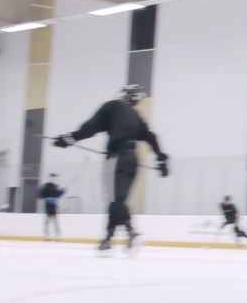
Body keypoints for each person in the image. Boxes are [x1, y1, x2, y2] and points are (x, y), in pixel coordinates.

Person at [51, 84, 169, 255]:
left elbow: (90, 128)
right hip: (133, 161)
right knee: (118, 201)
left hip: (116, 159)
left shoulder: (112, 106)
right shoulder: (137, 116)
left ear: (124, 95)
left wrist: (68, 139)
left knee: (115, 200)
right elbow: (151, 137)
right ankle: (107, 239)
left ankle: (131, 232)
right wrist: (162, 159)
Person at [39, 173, 64, 241]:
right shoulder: (46, 186)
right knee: (47, 221)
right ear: (49, 178)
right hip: (48, 205)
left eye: (54, 178)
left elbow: (57, 195)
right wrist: (47, 198)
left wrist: (61, 192)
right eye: (52, 178)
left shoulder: (56, 186)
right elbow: (41, 194)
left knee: (55, 221)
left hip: (54, 206)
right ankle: (47, 236)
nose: (53, 179)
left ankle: (57, 236)